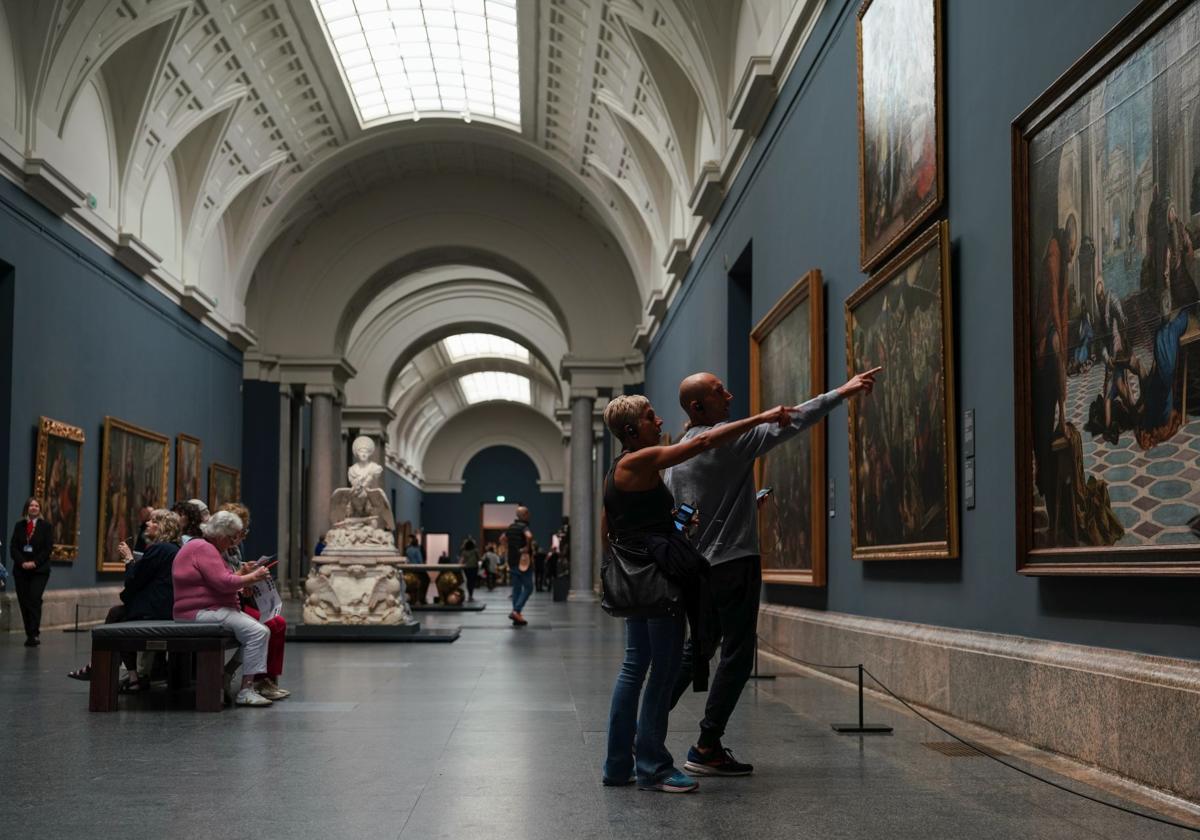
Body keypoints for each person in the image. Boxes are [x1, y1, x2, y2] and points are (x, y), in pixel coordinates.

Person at [664, 368, 879, 777]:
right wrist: (844, 391)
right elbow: (795, 419)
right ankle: (707, 746)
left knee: (698, 650)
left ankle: (649, 727)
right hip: (734, 564)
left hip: (701, 568)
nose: (728, 395)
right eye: (717, 392)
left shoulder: (680, 452)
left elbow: (684, 517)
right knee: (738, 655)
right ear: (698, 406)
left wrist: (736, 509)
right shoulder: (731, 439)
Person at [601, 393, 792, 793]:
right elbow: (703, 443)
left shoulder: (618, 469)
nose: (659, 421)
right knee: (662, 672)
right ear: (633, 430)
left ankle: (619, 766)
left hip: (639, 579)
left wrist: (672, 525)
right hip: (658, 582)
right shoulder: (641, 459)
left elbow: (616, 528)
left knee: (634, 669)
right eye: (651, 417)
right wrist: (764, 417)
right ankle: (653, 766)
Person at [68, 509, 182, 685]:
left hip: (155, 609)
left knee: (116, 616)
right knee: (118, 614)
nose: (148, 524)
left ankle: (106, 668)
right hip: (167, 606)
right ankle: (124, 673)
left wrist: (129, 559)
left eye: (152, 522)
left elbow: (134, 581)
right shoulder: (174, 548)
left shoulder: (158, 549)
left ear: (162, 526)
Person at [173, 510, 274, 706]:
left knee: (258, 633)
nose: (234, 542)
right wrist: (252, 578)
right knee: (258, 633)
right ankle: (244, 689)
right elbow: (223, 582)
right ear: (219, 534)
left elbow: (222, 580)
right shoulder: (204, 548)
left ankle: (228, 676)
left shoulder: (206, 547)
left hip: (206, 609)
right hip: (198, 611)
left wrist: (242, 581)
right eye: (231, 537)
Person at [218, 503, 289, 702]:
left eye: (244, 531)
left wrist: (248, 575)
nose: (242, 536)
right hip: (224, 603)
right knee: (266, 626)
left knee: (278, 622)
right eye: (240, 531)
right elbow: (222, 578)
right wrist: (244, 579)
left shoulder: (235, 549)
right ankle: (245, 677)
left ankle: (265, 680)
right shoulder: (216, 548)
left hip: (237, 600)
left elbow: (234, 575)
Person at [9, 497, 53, 646]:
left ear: (40, 509)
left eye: (36, 505)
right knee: (24, 601)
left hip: (39, 570)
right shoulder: (19, 526)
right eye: (31, 505)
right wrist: (23, 562)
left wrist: (34, 563)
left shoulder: (46, 526)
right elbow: (13, 547)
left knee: (34, 599)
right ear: (26, 508)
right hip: (21, 571)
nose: (33, 507)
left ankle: (34, 633)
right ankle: (29, 633)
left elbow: (48, 549)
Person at [505, 506, 534, 626]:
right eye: (528, 513)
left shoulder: (511, 527)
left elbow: (502, 538)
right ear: (525, 514)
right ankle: (516, 610)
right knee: (528, 587)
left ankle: (517, 614)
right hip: (523, 561)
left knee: (516, 587)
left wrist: (509, 549)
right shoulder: (524, 527)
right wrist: (526, 548)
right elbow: (529, 536)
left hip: (512, 560)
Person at [459, 537, 480, 602]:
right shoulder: (475, 550)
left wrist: (460, 564)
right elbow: (479, 558)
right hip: (474, 567)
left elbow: (462, 560)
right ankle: (471, 595)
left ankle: (469, 594)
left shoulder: (464, 551)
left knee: (468, 581)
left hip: (467, 567)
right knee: (472, 581)